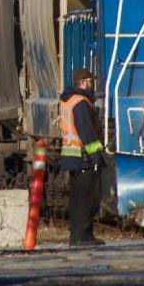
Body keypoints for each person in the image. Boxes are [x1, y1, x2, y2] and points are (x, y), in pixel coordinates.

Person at [60, 67, 106, 246]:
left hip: (73, 156)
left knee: (78, 199)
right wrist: (96, 157)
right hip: (83, 158)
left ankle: (77, 236)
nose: (92, 85)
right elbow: (87, 133)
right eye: (90, 82)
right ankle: (83, 237)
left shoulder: (70, 100)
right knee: (87, 198)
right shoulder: (80, 103)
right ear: (82, 83)